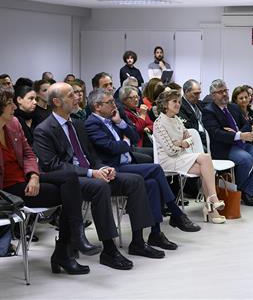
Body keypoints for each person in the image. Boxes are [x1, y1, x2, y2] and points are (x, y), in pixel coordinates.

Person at [32, 82, 164, 270]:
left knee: (136, 181)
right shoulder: (44, 129)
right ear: (56, 102)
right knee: (99, 187)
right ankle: (109, 250)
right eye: (70, 95)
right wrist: (92, 173)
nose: (77, 97)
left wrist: (104, 168)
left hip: (92, 173)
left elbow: (92, 156)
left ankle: (138, 242)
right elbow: (52, 165)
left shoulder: (77, 124)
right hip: (71, 179)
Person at [85, 88, 200, 248]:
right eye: (110, 102)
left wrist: (120, 123)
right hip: (113, 169)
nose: (114, 104)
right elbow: (111, 148)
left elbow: (135, 136)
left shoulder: (113, 118)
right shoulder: (91, 123)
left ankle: (155, 233)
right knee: (156, 169)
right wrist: (125, 144)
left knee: (152, 183)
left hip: (127, 164)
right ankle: (176, 212)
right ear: (97, 106)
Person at [0, 86, 97, 275]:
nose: (14, 106)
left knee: (70, 178)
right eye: (9, 103)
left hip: (27, 179)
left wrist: (34, 176)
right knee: (70, 190)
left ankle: (73, 240)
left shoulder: (13, 123)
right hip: (8, 189)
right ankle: (65, 250)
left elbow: (28, 154)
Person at [154, 89, 226, 223]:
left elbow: (190, 139)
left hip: (181, 156)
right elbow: (170, 151)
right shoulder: (158, 124)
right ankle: (213, 201)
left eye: (179, 102)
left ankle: (211, 209)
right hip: (168, 161)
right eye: (174, 101)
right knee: (205, 159)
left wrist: (182, 143)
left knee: (206, 170)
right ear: (165, 104)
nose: (178, 104)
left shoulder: (177, 120)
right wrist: (184, 143)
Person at [203, 79, 253, 207]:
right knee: (246, 159)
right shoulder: (209, 111)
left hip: (241, 142)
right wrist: (238, 135)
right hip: (224, 147)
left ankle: (247, 191)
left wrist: (237, 133)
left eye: (225, 90)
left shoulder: (233, 107)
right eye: (220, 92)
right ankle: (236, 191)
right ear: (213, 95)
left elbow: (247, 124)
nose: (224, 94)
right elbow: (216, 134)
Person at [178, 79, 207, 151]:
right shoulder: (180, 107)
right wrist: (208, 137)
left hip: (207, 136)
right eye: (196, 94)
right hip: (195, 140)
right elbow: (190, 129)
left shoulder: (200, 104)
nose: (199, 96)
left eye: (199, 93)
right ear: (186, 92)